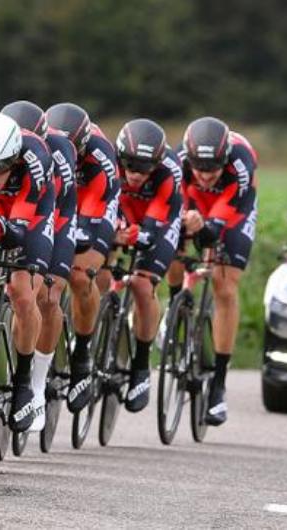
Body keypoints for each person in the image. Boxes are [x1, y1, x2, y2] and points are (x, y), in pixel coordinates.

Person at [170, 116, 258, 426]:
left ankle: (218, 386)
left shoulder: (241, 163)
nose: (206, 176)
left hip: (233, 209)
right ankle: (175, 305)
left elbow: (220, 220)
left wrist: (207, 227)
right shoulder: (178, 161)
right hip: (192, 202)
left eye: (213, 170)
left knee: (225, 284)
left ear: (224, 160)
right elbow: (172, 203)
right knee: (172, 249)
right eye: (200, 170)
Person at [0, 112, 55, 432]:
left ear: (16, 160)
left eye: (1, 167)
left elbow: (18, 230)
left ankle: (24, 382)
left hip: (33, 213)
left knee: (23, 292)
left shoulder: (35, 161)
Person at [1, 100, 77, 431]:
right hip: (5, 205)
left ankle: (36, 386)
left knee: (44, 294)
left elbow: (50, 212)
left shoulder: (56, 154)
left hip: (52, 215)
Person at [46, 103, 120, 413]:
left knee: (79, 273)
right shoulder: (42, 146)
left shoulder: (99, 156)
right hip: (59, 201)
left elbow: (90, 216)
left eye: (73, 148)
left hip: (94, 203)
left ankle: (83, 355)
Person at [115, 118, 183, 412]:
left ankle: (141, 366)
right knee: (98, 272)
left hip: (160, 219)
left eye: (144, 169)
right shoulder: (110, 165)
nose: (134, 175)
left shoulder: (170, 172)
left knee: (143, 285)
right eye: (129, 166)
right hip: (124, 212)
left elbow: (155, 226)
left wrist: (138, 234)